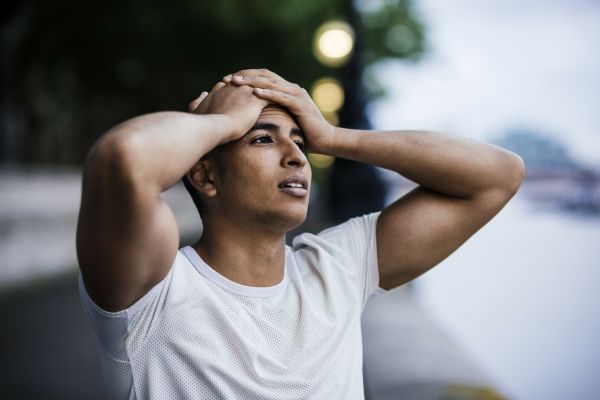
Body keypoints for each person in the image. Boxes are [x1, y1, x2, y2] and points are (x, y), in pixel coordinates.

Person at [76, 68, 524, 399]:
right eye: (262, 139)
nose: (297, 156)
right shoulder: (154, 293)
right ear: (205, 176)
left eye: (300, 142)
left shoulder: (338, 269)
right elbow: (123, 158)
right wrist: (224, 122)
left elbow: (498, 175)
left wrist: (332, 136)